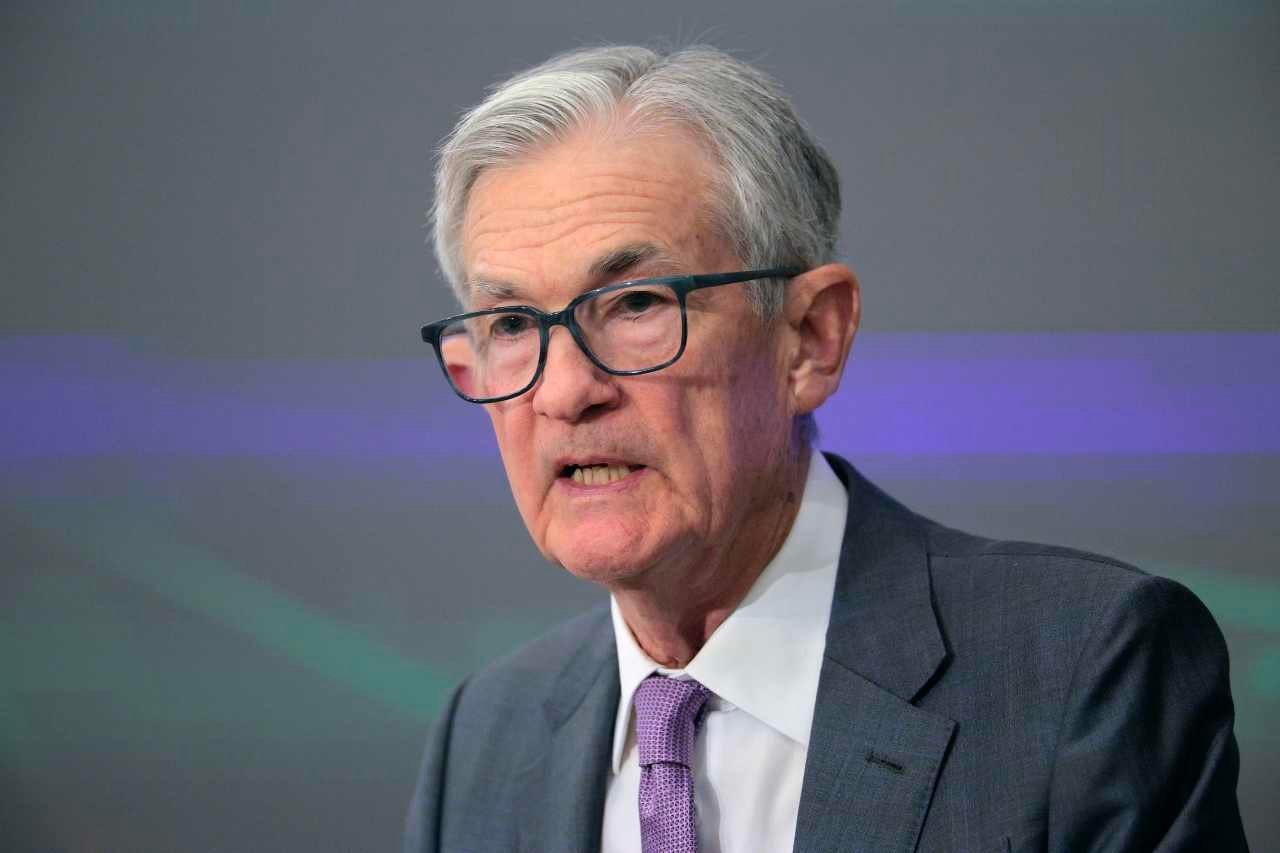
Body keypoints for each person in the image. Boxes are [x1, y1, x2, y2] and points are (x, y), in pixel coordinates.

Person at [404, 45, 1247, 852]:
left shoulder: (1084, 669)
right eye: (511, 323)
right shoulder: (483, 739)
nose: (563, 391)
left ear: (810, 337)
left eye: (635, 304)